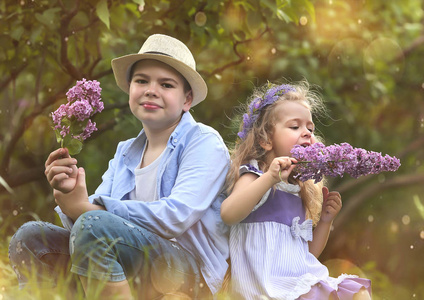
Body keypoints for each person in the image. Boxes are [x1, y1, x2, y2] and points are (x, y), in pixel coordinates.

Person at [9, 34, 230, 299]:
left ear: (187, 100)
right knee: (31, 237)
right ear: (130, 90)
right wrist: (71, 198)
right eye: (141, 81)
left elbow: (175, 217)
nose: (151, 90)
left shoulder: (203, 142)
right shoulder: (126, 151)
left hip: (190, 272)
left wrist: (88, 210)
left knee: (93, 225)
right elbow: (93, 220)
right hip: (132, 261)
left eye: (167, 84)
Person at [220, 81, 372, 300]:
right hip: (267, 285)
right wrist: (269, 179)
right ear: (265, 139)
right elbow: (228, 214)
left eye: (310, 129)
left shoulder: (298, 188)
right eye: (295, 127)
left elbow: (306, 253)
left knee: (358, 293)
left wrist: (326, 221)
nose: (307, 133)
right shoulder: (254, 175)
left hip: (296, 280)